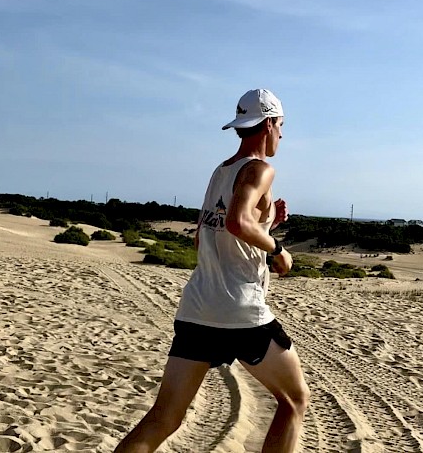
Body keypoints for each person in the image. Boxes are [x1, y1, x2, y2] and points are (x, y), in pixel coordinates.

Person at [114, 89, 310, 453]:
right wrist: (279, 250)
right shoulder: (261, 169)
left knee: (164, 418)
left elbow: (208, 239)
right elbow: (237, 223)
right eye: (281, 126)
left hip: (197, 309)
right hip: (240, 311)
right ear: (268, 124)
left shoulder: (221, 172)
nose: (282, 135)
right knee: (295, 400)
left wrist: (267, 228)